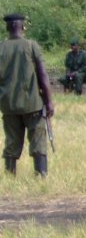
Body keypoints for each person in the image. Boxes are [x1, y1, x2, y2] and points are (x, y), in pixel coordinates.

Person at [0, 14, 54, 176]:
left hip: (8, 104)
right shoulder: (32, 46)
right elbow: (43, 75)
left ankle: (10, 175)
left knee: (11, 142)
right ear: (22, 27)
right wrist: (49, 101)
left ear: (7, 27)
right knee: (38, 139)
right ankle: (41, 174)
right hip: (32, 104)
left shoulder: (1, 48)